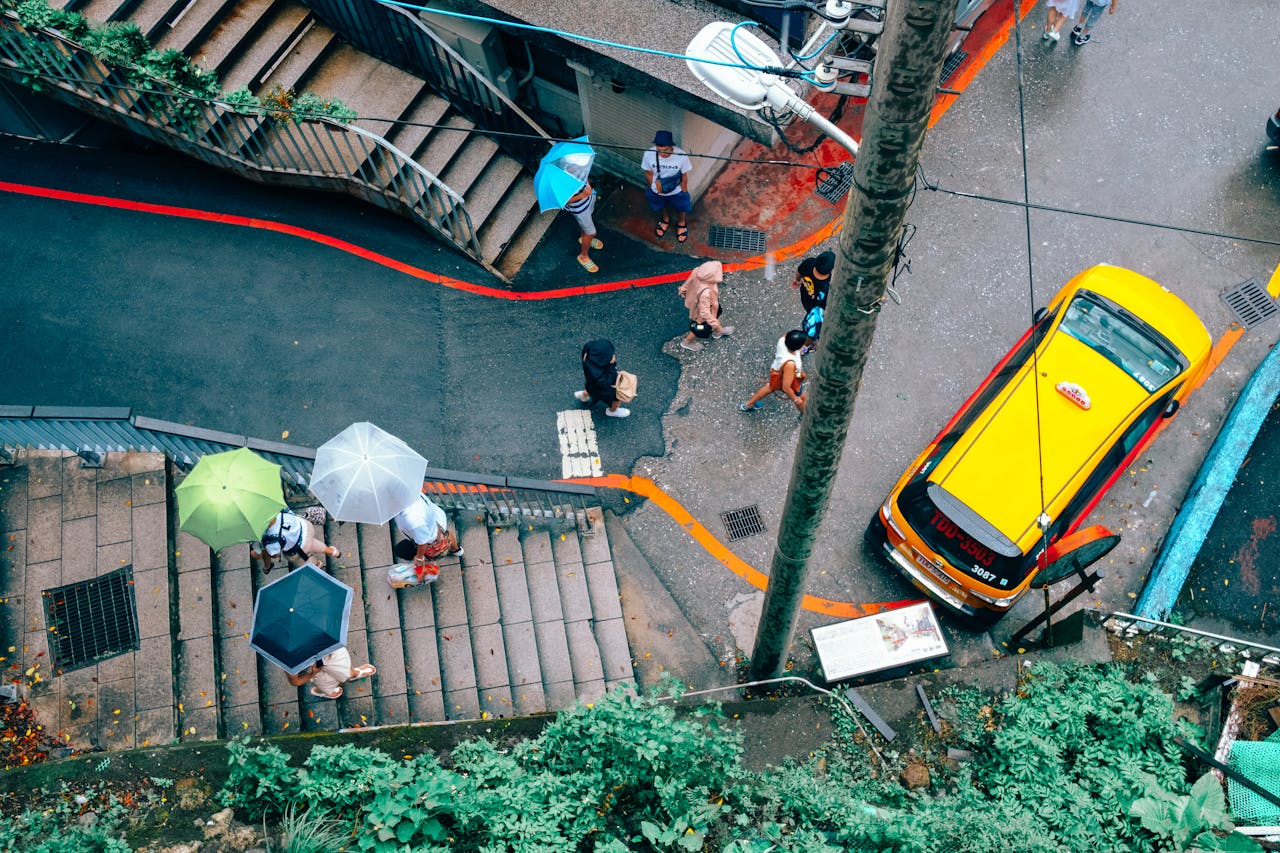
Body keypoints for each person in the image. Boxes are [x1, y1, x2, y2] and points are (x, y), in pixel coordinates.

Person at [250, 508, 340, 574]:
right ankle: (332, 551)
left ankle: (317, 564)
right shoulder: (279, 510)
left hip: (300, 548)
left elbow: (275, 554)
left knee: (304, 559)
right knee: (313, 543)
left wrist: (267, 551)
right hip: (305, 528)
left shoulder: (272, 540)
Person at [392, 493, 464, 575]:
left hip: (430, 538)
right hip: (437, 519)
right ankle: (456, 550)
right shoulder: (410, 490)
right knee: (445, 534)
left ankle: (429, 564)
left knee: (400, 551)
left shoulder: (412, 521)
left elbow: (423, 542)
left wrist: (419, 557)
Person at [739, 330, 809, 414]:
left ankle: (748, 404)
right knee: (803, 398)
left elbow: (786, 334)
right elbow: (786, 387)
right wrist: (795, 399)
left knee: (770, 387)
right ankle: (804, 414)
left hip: (776, 373)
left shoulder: (782, 341)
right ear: (798, 347)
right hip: (788, 379)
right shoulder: (790, 364)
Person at [642, 130, 693, 244]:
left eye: (665, 150)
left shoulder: (681, 155)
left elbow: (684, 175)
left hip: (677, 190)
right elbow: (648, 173)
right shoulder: (648, 154)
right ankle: (665, 219)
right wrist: (653, 188)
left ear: (671, 146)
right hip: (658, 189)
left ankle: (681, 223)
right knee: (661, 205)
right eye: (659, 150)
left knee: (682, 207)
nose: (662, 153)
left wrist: (684, 191)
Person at [678, 260, 734, 352]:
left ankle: (717, 332)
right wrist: (716, 324)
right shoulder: (705, 293)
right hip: (703, 308)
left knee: (717, 313)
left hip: (709, 303)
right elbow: (705, 313)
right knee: (701, 325)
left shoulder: (698, 271)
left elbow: (687, 283)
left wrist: (683, 290)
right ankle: (687, 342)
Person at [287, 647, 375, 700]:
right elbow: (295, 682)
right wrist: (312, 673)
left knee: (344, 668)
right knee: (324, 682)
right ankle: (324, 691)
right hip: (317, 669)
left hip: (331, 653)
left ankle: (352, 674)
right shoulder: (288, 658)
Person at [574, 339, 630, 418]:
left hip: (592, 384)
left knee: (591, 390)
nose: (613, 356)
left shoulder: (588, 358)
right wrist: (611, 365)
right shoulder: (603, 374)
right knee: (617, 399)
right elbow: (608, 382)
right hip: (605, 390)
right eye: (611, 356)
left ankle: (583, 395)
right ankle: (612, 411)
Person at [564, 180, 602, 273]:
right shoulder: (559, 181)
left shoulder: (574, 166)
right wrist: (583, 195)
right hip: (580, 208)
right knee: (591, 233)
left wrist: (588, 187)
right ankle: (583, 256)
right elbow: (565, 200)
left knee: (586, 223)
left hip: (588, 198)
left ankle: (583, 238)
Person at [792, 250, 834, 314]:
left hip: (805, 297)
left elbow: (799, 272)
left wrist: (797, 280)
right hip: (816, 308)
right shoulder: (827, 286)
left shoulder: (809, 263)